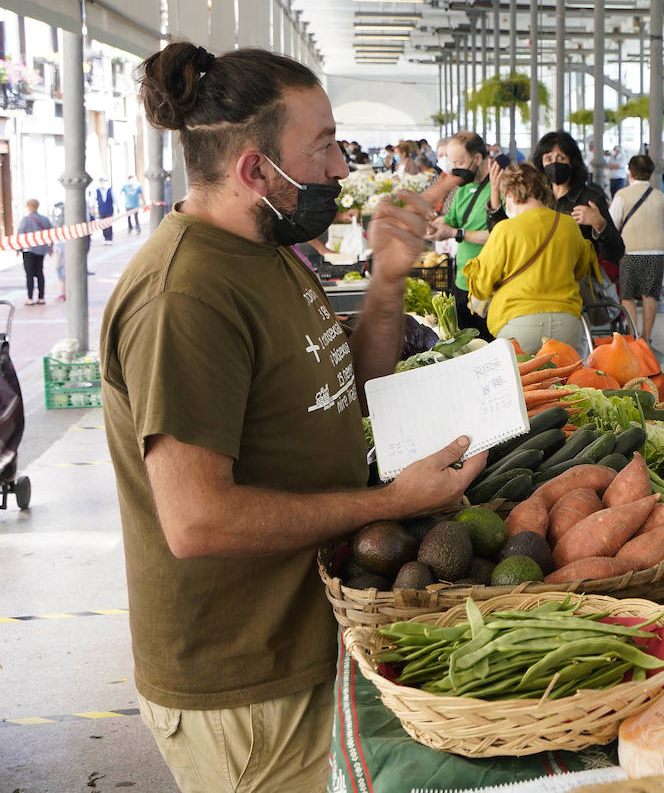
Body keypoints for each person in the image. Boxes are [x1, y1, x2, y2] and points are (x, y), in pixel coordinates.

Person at [101, 42, 489, 792]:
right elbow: (195, 519)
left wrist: (386, 276)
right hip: (245, 682)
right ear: (256, 170)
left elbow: (347, 381)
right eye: (323, 147)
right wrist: (392, 501)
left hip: (304, 641)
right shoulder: (185, 296)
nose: (342, 166)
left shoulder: (266, 250)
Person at [464, 162, 598, 354]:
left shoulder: (504, 230)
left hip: (518, 324)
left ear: (509, 194)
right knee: (569, 383)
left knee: (520, 383)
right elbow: (581, 269)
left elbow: (482, 285)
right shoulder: (569, 225)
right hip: (567, 324)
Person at [488, 130, 624, 269]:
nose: (554, 164)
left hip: (578, 282)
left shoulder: (591, 199)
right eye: (548, 159)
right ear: (541, 163)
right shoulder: (535, 197)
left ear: (572, 161)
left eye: (561, 158)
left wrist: (600, 225)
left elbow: (615, 253)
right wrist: (494, 192)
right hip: (539, 279)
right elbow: (504, 235)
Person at [423, 132, 496, 336]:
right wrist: (431, 225)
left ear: (478, 158)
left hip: (489, 286)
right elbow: (448, 222)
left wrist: (457, 233)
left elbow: (498, 234)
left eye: (460, 162)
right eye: (452, 162)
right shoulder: (463, 190)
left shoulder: (496, 189)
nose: (456, 168)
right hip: (462, 282)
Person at [610, 154, 664, 342]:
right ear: (650, 173)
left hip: (630, 251)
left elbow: (612, 224)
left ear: (630, 172)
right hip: (655, 251)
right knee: (650, 295)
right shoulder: (659, 196)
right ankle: (647, 337)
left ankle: (634, 336)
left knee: (627, 296)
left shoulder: (622, 195)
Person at [17, 199, 53, 305]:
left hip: (28, 250)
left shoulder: (25, 220)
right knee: (40, 273)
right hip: (41, 250)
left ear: (28, 206)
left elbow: (20, 235)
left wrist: (18, 249)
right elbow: (50, 233)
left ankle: (30, 298)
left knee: (29, 274)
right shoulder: (44, 219)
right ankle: (41, 297)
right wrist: (50, 247)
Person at [94, 177, 116, 243]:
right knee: (103, 224)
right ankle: (105, 236)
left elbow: (115, 199)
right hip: (101, 210)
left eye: (104, 181)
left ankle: (109, 238)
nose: (103, 183)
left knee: (109, 223)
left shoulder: (110, 190)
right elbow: (94, 200)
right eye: (101, 181)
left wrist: (117, 207)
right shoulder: (97, 191)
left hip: (109, 209)